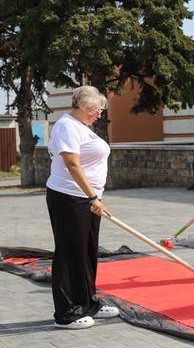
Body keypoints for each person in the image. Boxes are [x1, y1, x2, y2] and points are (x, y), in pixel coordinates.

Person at [45, 86, 121, 329]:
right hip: (69, 198)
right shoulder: (66, 126)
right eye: (97, 110)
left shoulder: (82, 127)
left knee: (87, 252)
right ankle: (66, 313)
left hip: (87, 200)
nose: (99, 115)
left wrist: (94, 198)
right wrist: (92, 198)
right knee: (69, 253)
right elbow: (72, 164)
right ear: (84, 107)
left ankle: (87, 303)